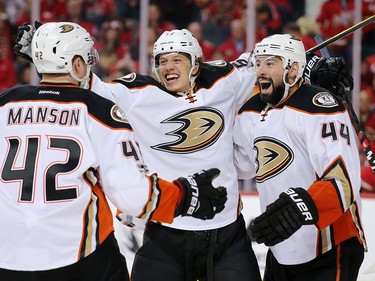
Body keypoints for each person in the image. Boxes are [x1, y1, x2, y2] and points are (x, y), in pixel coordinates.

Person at [14, 23, 354, 281]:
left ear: (194, 64)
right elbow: (84, 83)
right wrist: (45, 55)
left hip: (227, 236)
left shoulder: (226, 81)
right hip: (166, 235)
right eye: (161, 60)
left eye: (177, 59)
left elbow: (271, 63)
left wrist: (312, 68)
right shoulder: (136, 94)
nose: (168, 66)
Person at [1, 22, 228, 281]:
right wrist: (185, 196)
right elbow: (132, 194)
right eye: (86, 60)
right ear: (76, 65)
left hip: (7, 255)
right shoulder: (99, 111)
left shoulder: (5, 103)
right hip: (78, 256)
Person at [233, 34, 367, 281]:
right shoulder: (250, 111)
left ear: (293, 69)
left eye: (270, 63)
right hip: (282, 245)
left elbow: (344, 182)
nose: (260, 71)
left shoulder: (320, 106)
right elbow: (242, 166)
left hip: (330, 244)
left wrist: (297, 208)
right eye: (258, 62)